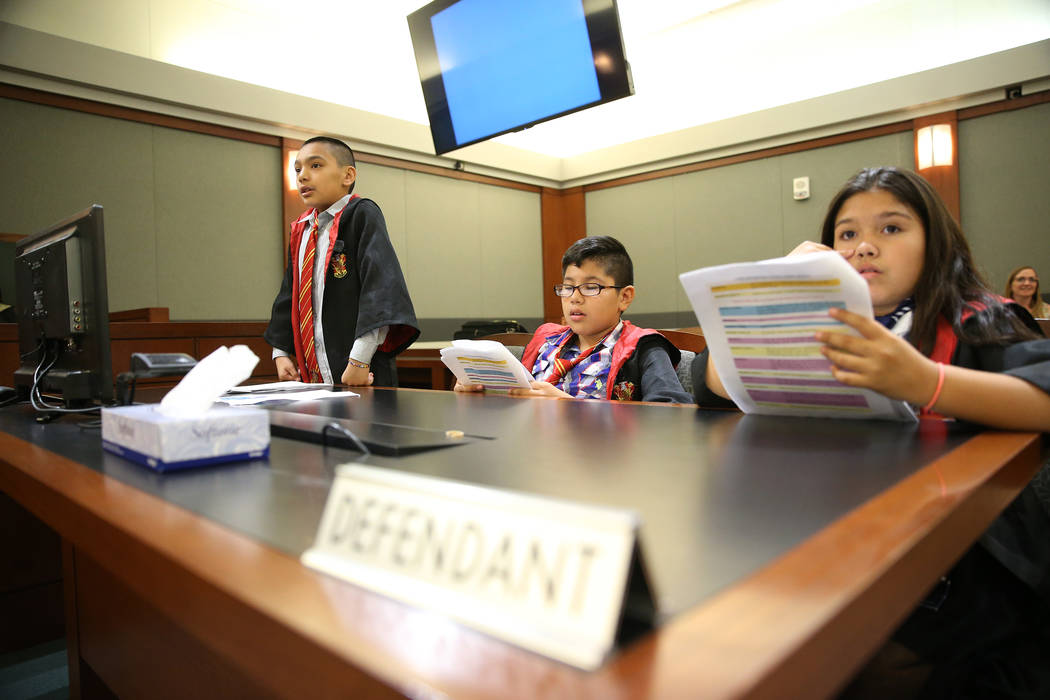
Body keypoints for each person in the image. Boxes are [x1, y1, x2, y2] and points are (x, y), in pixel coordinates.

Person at [694, 166, 1050, 698]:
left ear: (934, 241)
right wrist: (777, 290)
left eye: (890, 229)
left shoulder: (976, 316)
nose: (864, 248)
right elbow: (709, 383)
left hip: (962, 556)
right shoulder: (821, 321)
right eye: (847, 234)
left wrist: (925, 381)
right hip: (834, 534)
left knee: (861, 662)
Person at [456, 235, 691, 402]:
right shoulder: (546, 340)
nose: (574, 298)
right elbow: (518, 397)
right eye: (567, 287)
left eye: (591, 287)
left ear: (625, 297)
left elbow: (671, 414)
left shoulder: (643, 347)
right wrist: (481, 392)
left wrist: (572, 407)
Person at [265, 136, 418, 387]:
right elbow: (289, 293)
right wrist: (280, 352)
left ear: (347, 175)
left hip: (361, 371)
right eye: (298, 169)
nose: (302, 176)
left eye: (315, 165)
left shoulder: (361, 214)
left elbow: (380, 289)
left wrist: (359, 361)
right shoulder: (302, 229)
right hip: (314, 374)